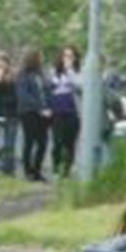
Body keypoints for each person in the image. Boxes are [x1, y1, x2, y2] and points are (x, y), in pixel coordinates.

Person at [14, 48, 51, 182]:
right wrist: (39, 107)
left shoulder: (41, 74)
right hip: (28, 112)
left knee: (43, 142)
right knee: (29, 141)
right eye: (40, 57)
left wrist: (49, 106)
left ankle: (37, 170)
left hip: (44, 113)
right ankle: (28, 171)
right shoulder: (23, 75)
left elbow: (47, 90)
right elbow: (23, 95)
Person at [48, 45, 82, 178]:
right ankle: (56, 167)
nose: (67, 59)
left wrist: (70, 72)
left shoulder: (78, 72)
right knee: (57, 141)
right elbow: (49, 88)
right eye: (65, 56)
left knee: (70, 142)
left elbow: (79, 86)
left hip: (73, 111)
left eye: (70, 56)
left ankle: (67, 169)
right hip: (57, 111)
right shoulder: (54, 71)